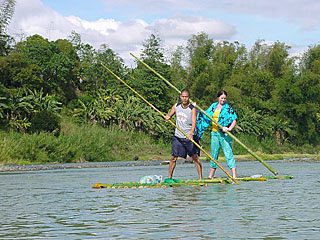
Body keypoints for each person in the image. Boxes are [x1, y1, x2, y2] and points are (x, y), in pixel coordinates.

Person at [196, 90, 237, 178]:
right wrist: (196, 108)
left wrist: (229, 129)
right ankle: (211, 175)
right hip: (214, 133)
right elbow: (205, 115)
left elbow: (234, 120)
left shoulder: (228, 108)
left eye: (225, 98)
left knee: (228, 153)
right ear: (218, 98)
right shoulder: (213, 106)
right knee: (214, 154)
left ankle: (234, 175)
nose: (223, 100)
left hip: (224, 134)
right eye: (222, 98)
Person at [165, 89, 203, 180]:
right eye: (183, 96)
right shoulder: (176, 106)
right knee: (173, 157)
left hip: (189, 137)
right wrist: (168, 117)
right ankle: (169, 177)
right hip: (178, 136)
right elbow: (169, 115)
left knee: (195, 158)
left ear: (188, 98)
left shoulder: (192, 108)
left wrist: (190, 134)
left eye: (186, 97)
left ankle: (201, 178)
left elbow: (194, 123)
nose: (184, 98)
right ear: (180, 97)